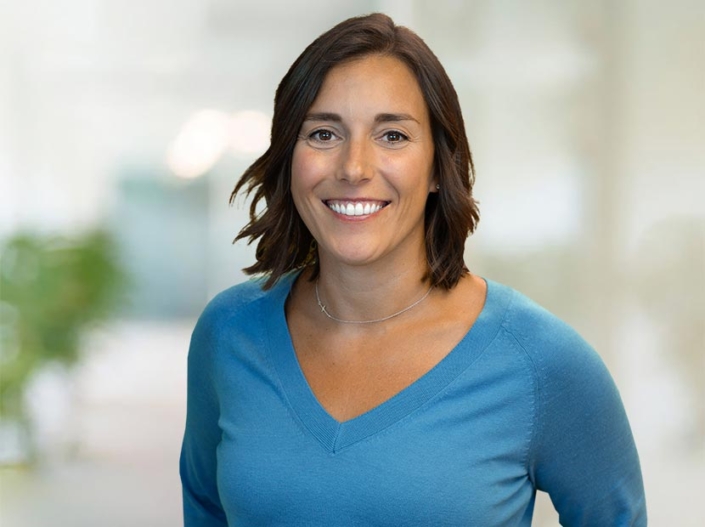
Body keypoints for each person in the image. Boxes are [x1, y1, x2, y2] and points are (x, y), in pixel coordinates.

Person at [180, 13, 646, 526]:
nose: (354, 168)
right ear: (290, 158)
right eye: (323, 133)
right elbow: (205, 510)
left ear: (437, 169)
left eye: (393, 136)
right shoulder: (228, 334)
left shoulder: (542, 362)